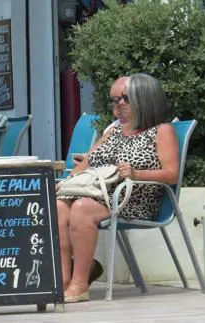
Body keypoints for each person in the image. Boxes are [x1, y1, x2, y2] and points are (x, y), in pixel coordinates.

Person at [56, 73, 179, 303]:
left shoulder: (161, 131)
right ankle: (63, 279)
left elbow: (172, 174)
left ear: (144, 98)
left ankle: (79, 284)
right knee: (60, 206)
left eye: (124, 98)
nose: (118, 105)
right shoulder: (114, 132)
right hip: (101, 193)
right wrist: (70, 180)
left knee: (82, 208)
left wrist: (136, 173)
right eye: (114, 100)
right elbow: (87, 162)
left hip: (134, 199)